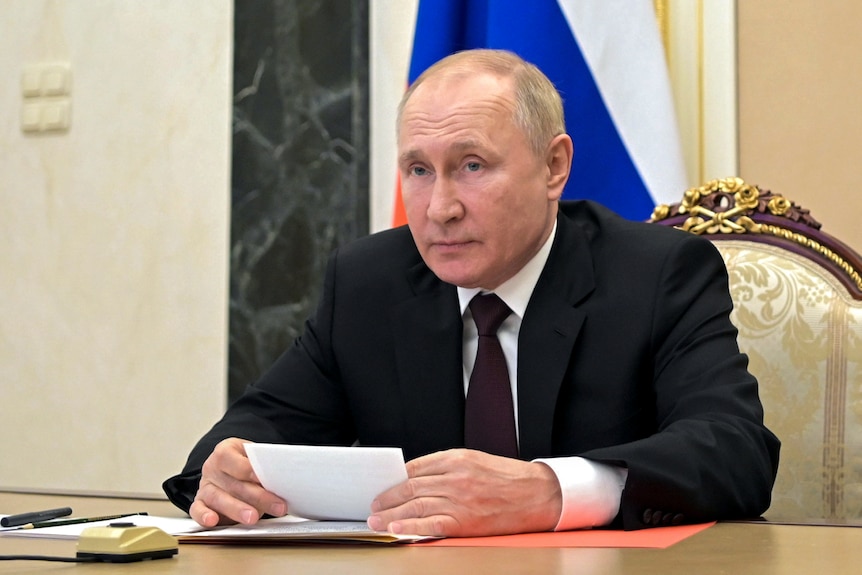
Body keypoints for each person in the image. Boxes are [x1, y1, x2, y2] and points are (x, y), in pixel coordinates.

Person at [163, 49, 779, 535]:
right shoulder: (367, 283)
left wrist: (549, 490)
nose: (440, 209)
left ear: (554, 167)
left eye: (472, 166)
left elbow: (736, 452)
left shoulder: (657, 274)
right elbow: (249, 433)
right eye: (419, 171)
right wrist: (224, 472)